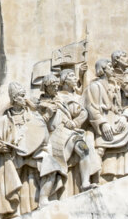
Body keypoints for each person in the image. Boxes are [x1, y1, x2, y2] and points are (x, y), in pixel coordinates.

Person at [84, 59, 128, 182]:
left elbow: (127, 106)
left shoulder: (116, 87)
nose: (112, 68)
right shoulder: (94, 86)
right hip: (104, 125)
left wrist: (125, 117)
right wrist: (103, 123)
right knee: (99, 149)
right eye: (109, 66)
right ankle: (93, 181)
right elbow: (91, 107)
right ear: (102, 69)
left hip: (118, 123)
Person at [37, 73, 99, 204]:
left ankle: (85, 182)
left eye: (56, 85)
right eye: (52, 86)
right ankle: (44, 198)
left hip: (68, 133)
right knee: (53, 167)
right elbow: (36, 124)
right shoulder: (40, 104)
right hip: (53, 137)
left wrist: (75, 123)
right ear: (46, 87)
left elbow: (83, 112)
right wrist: (47, 114)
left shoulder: (61, 100)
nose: (55, 89)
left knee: (84, 149)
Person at [0, 82, 49, 219]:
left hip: (30, 154)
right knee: (4, 168)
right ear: (14, 98)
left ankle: (43, 198)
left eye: (25, 96)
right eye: (22, 96)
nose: (25, 99)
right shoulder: (4, 119)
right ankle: (2, 212)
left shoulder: (33, 116)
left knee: (48, 161)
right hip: (11, 156)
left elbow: (42, 136)